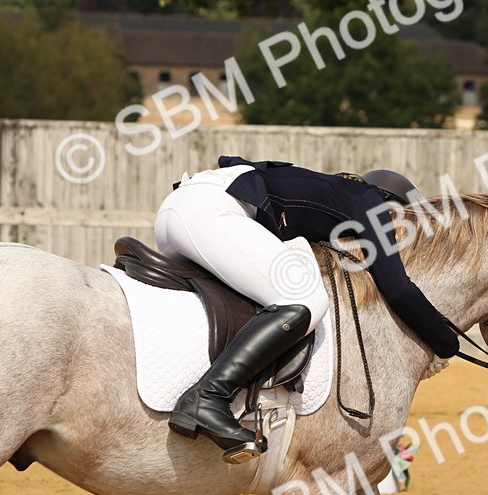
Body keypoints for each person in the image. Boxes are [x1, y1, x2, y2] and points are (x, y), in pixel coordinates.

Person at [154, 158, 460, 461]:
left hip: (177, 211)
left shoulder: (322, 196)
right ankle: (208, 397)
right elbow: (398, 289)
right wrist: (446, 343)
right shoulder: (370, 201)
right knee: (305, 300)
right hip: (210, 212)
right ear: (392, 205)